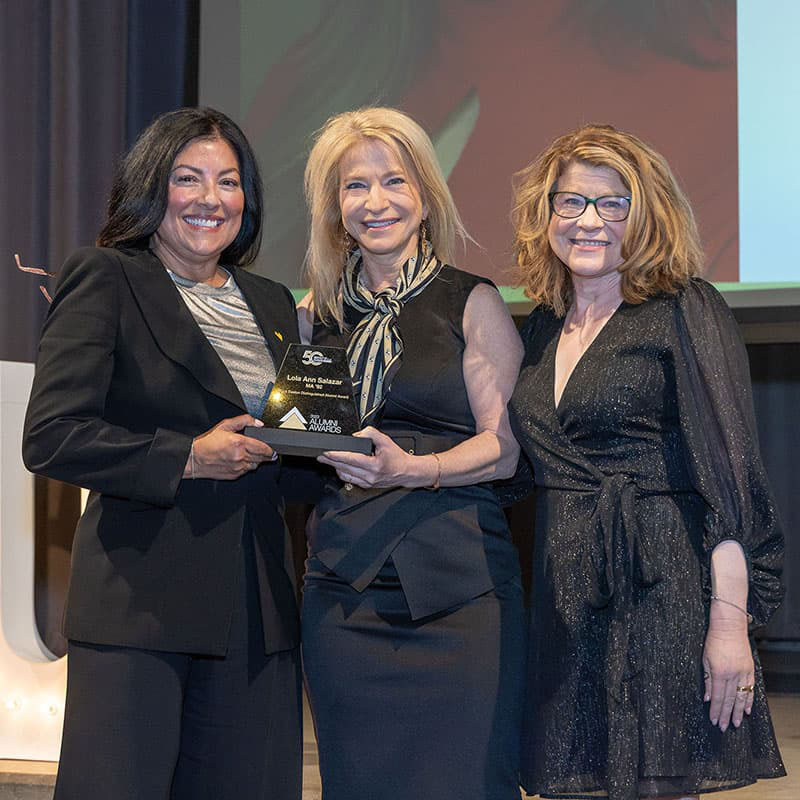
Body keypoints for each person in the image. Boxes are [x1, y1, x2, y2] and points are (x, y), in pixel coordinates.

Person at [22, 107, 303, 800]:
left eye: (229, 182)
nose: (211, 199)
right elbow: (52, 434)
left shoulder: (270, 301)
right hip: (140, 609)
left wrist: (347, 454)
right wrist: (186, 457)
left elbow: (287, 439)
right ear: (152, 187)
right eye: (189, 178)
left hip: (256, 611)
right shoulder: (106, 278)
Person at [508, 123, 785, 800]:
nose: (589, 221)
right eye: (571, 203)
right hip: (565, 601)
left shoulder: (684, 308)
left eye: (613, 204)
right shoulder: (542, 324)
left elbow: (728, 480)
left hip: (662, 596)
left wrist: (728, 626)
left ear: (646, 214)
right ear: (547, 216)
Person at [297, 106, 526, 799]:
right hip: (344, 591)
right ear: (336, 209)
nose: (376, 202)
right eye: (355, 187)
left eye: (393, 182)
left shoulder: (472, 301)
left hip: (460, 587)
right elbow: (304, 436)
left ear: (425, 195)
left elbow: (506, 450)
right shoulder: (315, 313)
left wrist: (414, 469)